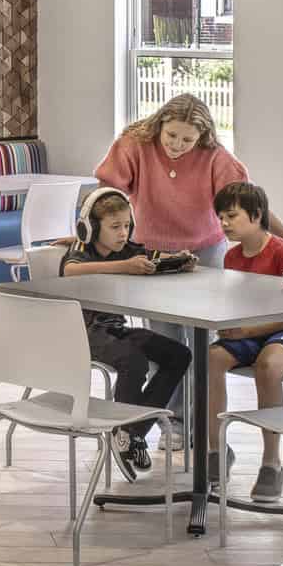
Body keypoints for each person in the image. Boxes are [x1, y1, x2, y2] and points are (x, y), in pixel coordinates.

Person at [60, 187, 193, 473]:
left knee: (179, 355)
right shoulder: (82, 250)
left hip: (115, 330)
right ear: (91, 228)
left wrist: (178, 259)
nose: (123, 233)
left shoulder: (128, 249)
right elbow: (70, 270)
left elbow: (153, 255)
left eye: (127, 226)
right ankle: (126, 434)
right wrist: (125, 266)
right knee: (134, 361)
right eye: (115, 227)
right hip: (83, 333)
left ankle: (130, 434)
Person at [93, 94, 283, 265]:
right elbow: (106, 197)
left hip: (204, 251)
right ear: (159, 124)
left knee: (205, 313)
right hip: (147, 248)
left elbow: (253, 207)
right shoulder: (134, 144)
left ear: (201, 136)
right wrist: (91, 238)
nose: (176, 145)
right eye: (171, 135)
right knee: (159, 314)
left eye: (187, 140)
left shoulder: (215, 157)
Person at [204, 180, 283, 502]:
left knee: (268, 365)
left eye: (232, 216)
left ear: (257, 215)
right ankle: (216, 451)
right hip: (253, 329)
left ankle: (272, 462)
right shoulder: (232, 257)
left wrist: (249, 331)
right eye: (220, 217)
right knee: (210, 359)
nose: (224, 224)